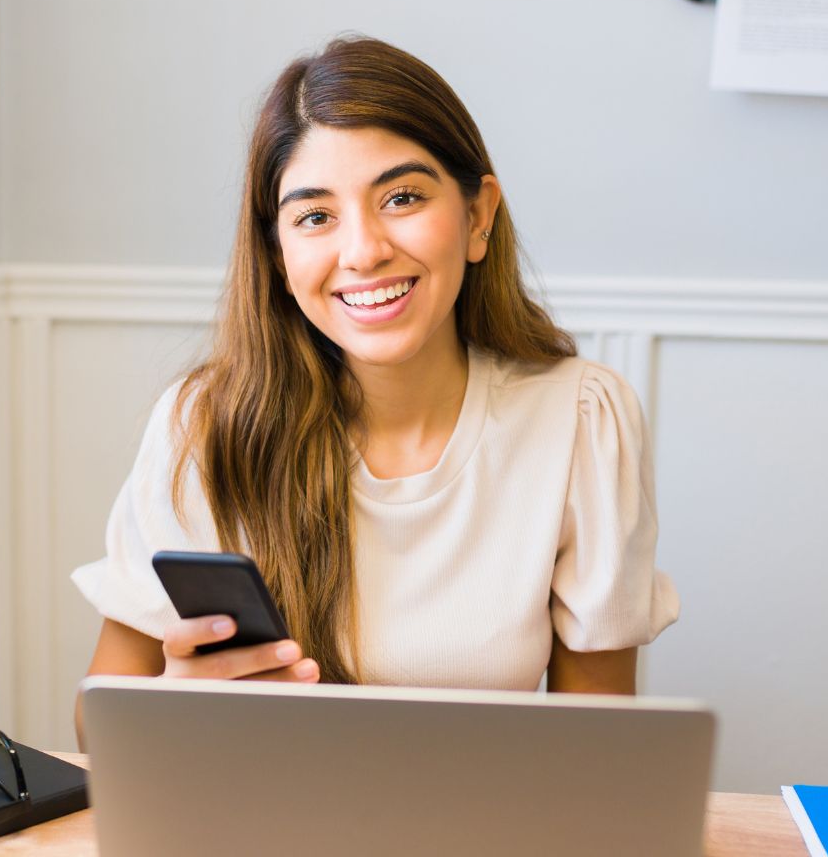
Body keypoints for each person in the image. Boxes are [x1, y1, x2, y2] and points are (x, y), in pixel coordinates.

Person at [72, 36, 677, 743]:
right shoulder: (202, 426)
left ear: (478, 216)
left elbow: (597, 752)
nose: (363, 251)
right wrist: (168, 709)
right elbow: (96, 727)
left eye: (402, 197)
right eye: (315, 216)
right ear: (278, 252)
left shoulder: (580, 419)